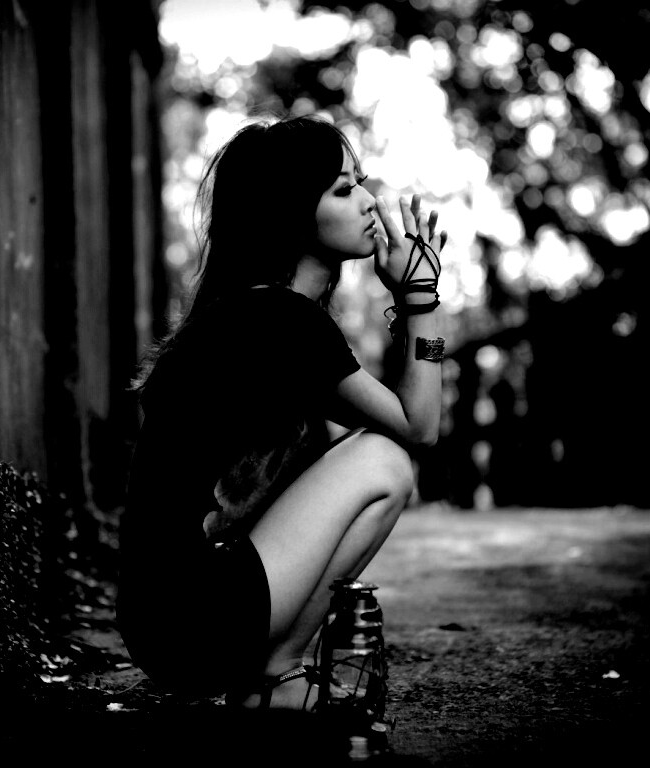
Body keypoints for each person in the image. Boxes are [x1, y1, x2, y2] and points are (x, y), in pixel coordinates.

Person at [118, 114, 447, 712]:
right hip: (194, 616)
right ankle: (275, 678)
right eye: (343, 190)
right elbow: (419, 427)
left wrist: (410, 302)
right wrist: (420, 299)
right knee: (386, 459)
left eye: (360, 183)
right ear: (292, 213)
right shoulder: (280, 319)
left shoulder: (259, 313)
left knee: (371, 450)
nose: (369, 202)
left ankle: (269, 678)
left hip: (170, 624)